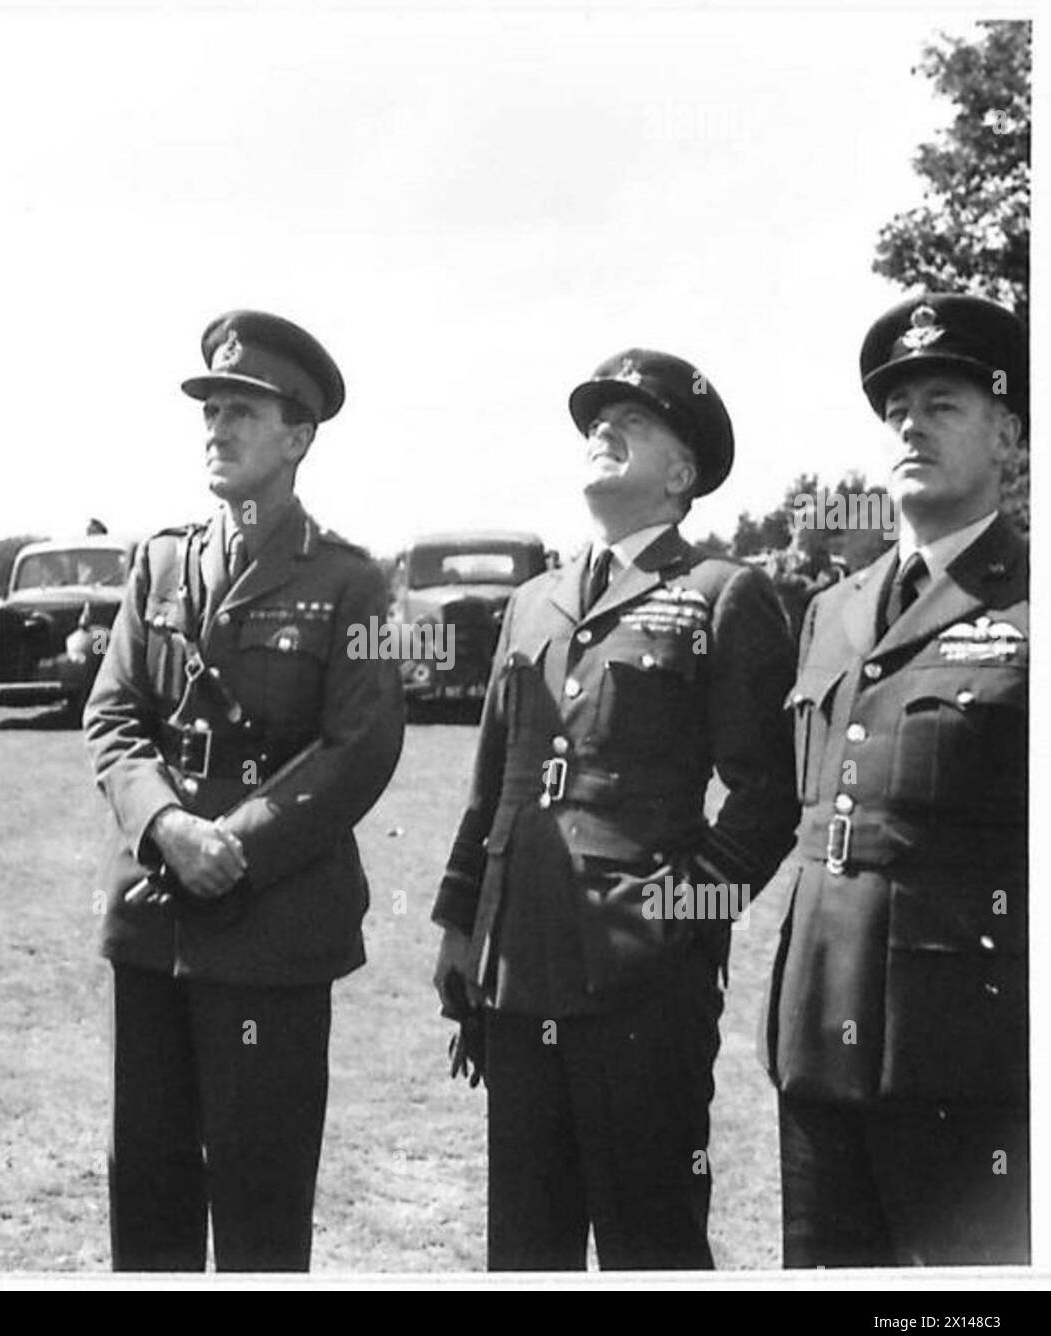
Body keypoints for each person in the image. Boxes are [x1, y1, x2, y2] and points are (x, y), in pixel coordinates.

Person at [432, 347, 797, 1270]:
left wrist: (679, 912)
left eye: (631, 423)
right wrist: (456, 929)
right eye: (596, 420)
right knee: (525, 1249)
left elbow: (769, 794)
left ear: (681, 475)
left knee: (652, 1246)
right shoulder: (532, 602)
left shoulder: (721, 595)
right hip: (516, 971)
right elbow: (492, 785)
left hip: (643, 991)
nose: (603, 431)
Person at [84, 309, 404, 1272]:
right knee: (146, 1187)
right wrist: (168, 825)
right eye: (210, 409)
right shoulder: (161, 561)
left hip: (270, 931)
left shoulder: (354, 584)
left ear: (299, 437)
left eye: (241, 411)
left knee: (262, 1206)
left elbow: (363, 745)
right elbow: (113, 716)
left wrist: (237, 845)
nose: (215, 428)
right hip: (154, 921)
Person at [760, 293, 1029, 1267]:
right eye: (897, 406)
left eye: (943, 402)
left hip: (969, 1062)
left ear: (1009, 437)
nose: (910, 422)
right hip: (812, 1046)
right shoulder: (833, 611)